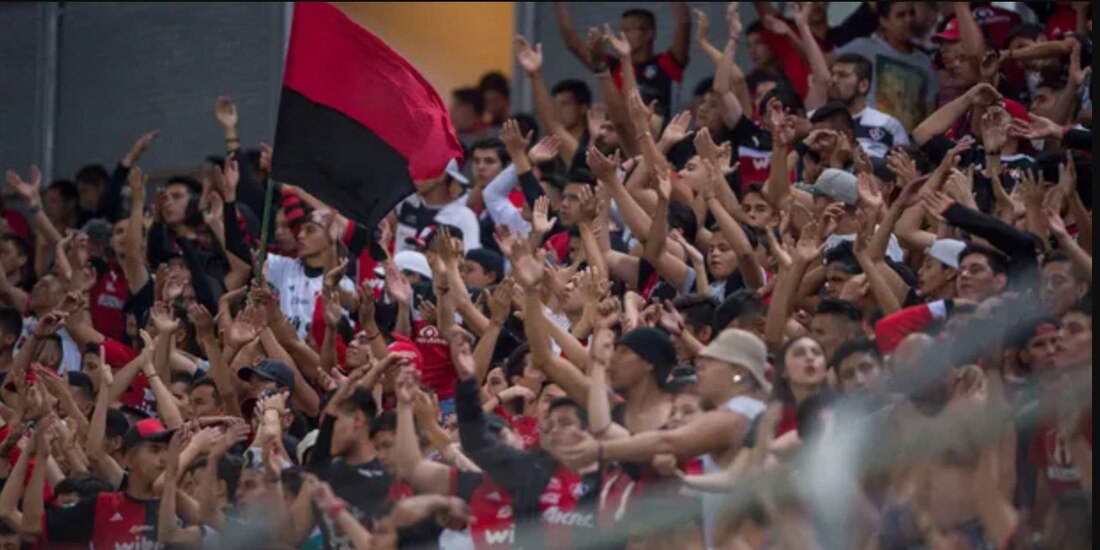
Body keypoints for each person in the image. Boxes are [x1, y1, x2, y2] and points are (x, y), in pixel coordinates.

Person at [835, 2, 939, 131]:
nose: (908, 20)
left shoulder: (926, 63)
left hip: (908, 146)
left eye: (911, 13)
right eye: (900, 15)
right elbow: (825, 61)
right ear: (884, 21)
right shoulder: (864, 47)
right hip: (870, 138)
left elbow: (930, 113)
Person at [827, 53, 911, 157]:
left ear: (863, 85)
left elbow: (905, 165)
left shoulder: (888, 125)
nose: (833, 80)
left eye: (843, 75)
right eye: (832, 75)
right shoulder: (813, 119)